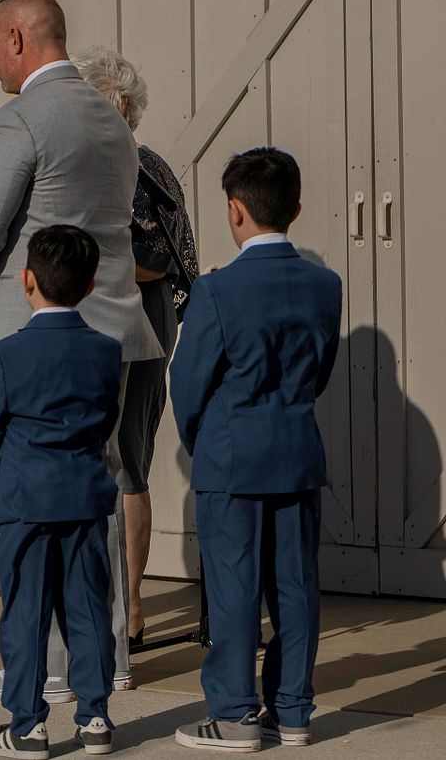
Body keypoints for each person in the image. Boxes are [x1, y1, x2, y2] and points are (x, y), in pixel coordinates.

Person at [0, 0, 161, 705]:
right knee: (100, 493)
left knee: (24, 503)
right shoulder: (112, 120)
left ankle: (39, 668)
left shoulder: (21, 119)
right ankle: (105, 657)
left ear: (16, 38)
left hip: (29, 329)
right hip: (113, 328)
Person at [171, 148, 341, 752]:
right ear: (295, 208)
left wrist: (201, 441)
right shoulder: (325, 285)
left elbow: (187, 383)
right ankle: (292, 711)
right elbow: (320, 372)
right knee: (295, 587)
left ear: (235, 210)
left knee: (234, 589)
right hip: (296, 451)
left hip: (231, 457)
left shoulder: (217, 289)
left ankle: (235, 714)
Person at [0, 226, 120, 759]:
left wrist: (0, 475)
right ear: (90, 286)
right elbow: (106, 418)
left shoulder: (4, 354)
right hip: (84, 493)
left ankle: (28, 726)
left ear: (26, 280)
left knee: (26, 613)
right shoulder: (106, 351)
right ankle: (96, 717)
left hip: (24, 498)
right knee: (89, 608)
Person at [71, 45, 198, 645]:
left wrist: (84, 260)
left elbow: (157, 259)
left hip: (137, 317)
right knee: (106, 458)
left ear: (115, 104)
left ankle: (131, 608)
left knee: (126, 461)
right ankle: (108, 604)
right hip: (106, 315)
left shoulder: (140, 168)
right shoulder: (106, 163)